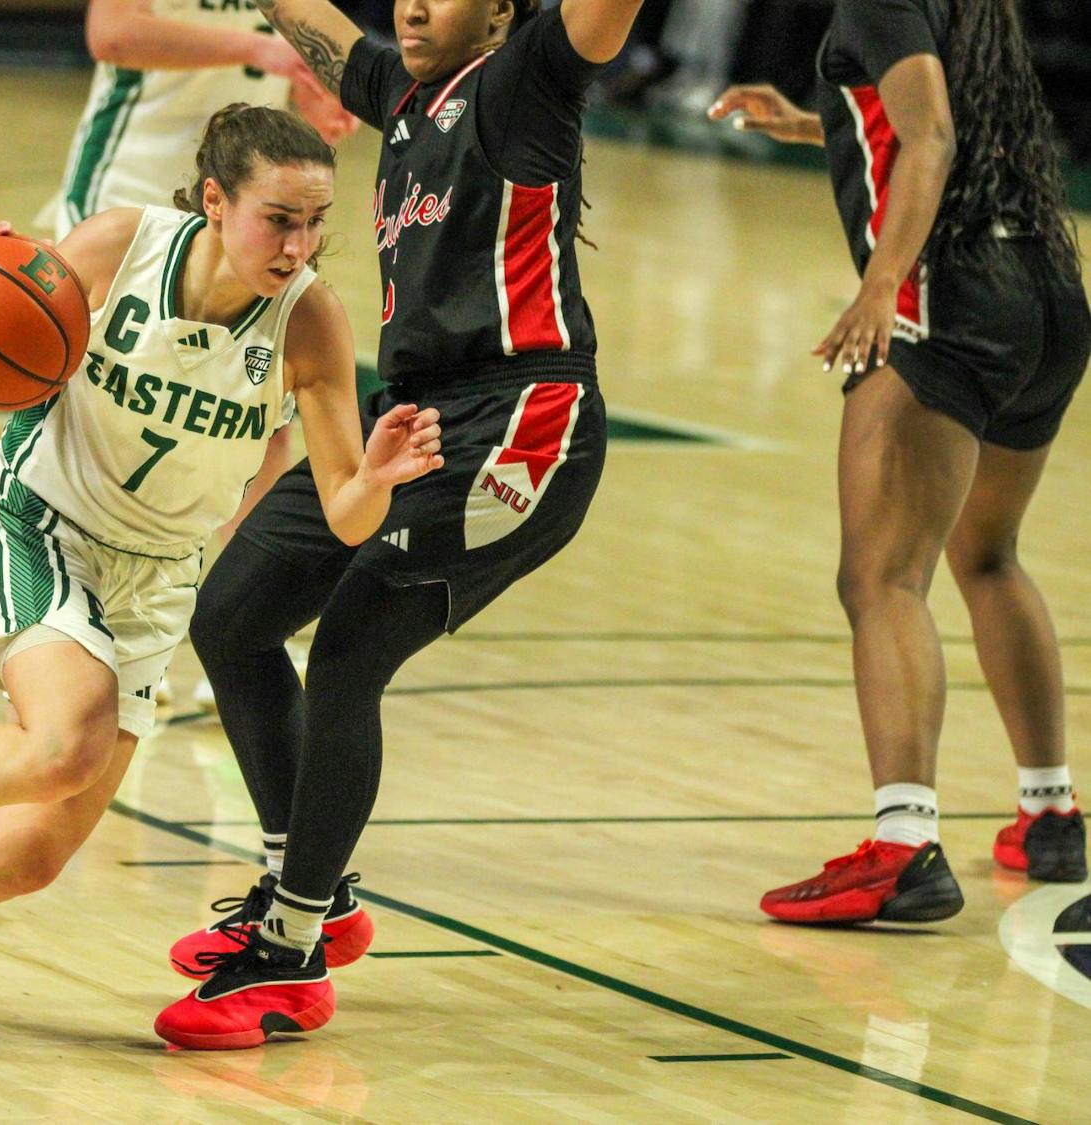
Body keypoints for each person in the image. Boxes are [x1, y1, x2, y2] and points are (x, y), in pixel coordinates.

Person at [0, 104, 444, 1028]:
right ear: (218, 202)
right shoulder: (124, 246)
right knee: (65, 738)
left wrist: (380, 475)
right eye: (279, 218)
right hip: (38, 521)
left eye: (315, 223)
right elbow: (5, 291)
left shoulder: (309, 321)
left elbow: (345, 513)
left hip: (153, 579)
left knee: (28, 856)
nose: (298, 243)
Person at [154, 0, 645, 1051]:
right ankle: (313, 888)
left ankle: (291, 946)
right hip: (414, 418)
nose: (416, 4)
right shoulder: (404, 95)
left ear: (503, 13)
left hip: (520, 423)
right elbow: (313, 21)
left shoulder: (528, 86)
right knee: (231, 617)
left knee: (345, 657)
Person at [708, 0, 1089, 924]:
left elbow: (931, 136)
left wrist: (881, 286)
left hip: (947, 301)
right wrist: (814, 124)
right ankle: (1052, 816)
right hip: (1044, 293)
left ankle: (904, 840)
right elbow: (930, 123)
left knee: (882, 577)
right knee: (985, 554)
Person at [46, 0, 360, 704]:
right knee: (112, 418)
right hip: (131, 191)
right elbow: (113, 34)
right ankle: (78, 624)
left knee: (258, 428)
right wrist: (269, 55)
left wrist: (321, 91)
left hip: (254, 208)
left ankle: (248, 628)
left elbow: (325, 51)